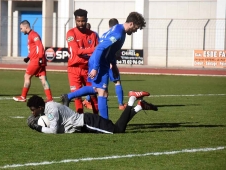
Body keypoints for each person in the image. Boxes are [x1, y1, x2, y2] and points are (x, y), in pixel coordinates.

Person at [87, 12, 146, 119]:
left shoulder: (117, 28)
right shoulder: (118, 34)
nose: (136, 31)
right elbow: (100, 48)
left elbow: (110, 50)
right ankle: (105, 122)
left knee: (97, 89)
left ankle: (69, 96)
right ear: (131, 24)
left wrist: (113, 65)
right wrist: (96, 68)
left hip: (102, 61)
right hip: (100, 62)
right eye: (136, 28)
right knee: (103, 92)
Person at [26, 91, 157, 134]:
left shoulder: (51, 110)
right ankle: (139, 107)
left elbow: (54, 131)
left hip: (87, 123)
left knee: (117, 131)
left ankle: (132, 99)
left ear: (39, 107)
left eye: (33, 110)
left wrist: (38, 127)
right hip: (86, 121)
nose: (33, 113)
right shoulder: (49, 106)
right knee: (117, 127)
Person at [82, 18, 126, 110]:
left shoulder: (103, 35)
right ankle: (120, 104)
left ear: (109, 26)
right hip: (105, 62)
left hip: (98, 61)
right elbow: (104, 49)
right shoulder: (115, 34)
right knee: (112, 84)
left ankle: (86, 99)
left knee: (97, 86)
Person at [64, 9, 99, 114]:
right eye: (78, 21)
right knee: (77, 96)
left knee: (93, 94)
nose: (80, 23)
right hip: (74, 69)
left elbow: (99, 51)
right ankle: (80, 119)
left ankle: (97, 117)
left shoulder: (93, 35)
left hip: (88, 69)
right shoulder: (71, 33)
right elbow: (77, 51)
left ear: (86, 20)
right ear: (75, 20)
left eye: (83, 21)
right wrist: (93, 49)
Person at [13, 20, 53, 102]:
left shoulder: (34, 35)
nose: (21, 30)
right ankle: (49, 98)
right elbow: (34, 49)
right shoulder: (30, 35)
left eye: (21, 28)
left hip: (37, 60)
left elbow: (40, 46)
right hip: (37, 59)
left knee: (27, 76)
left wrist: (41, 58)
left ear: (25, 27)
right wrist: (28, 57)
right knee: (43, 79)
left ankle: (23, 96)